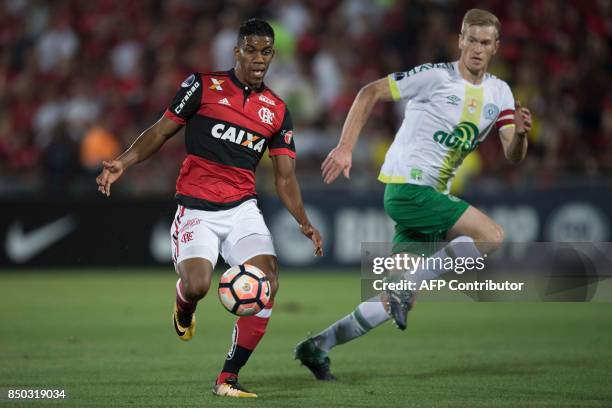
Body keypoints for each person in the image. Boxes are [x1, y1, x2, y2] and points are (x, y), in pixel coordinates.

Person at [295, 9, 532, 380]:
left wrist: (519, 134)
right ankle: (407, 285)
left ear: (495, 48)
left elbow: (513, 155)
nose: (476, 48)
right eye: (471, 39)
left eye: (485, 42)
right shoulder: (435, 76)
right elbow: (368, 91)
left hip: (429, 195)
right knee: (492, 236)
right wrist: (344, 147)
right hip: (407, 187)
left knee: (394, 300)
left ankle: (316, 347)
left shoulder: (500, 92)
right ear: (460, 41)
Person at [96, 19, 323, 398]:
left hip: (241, 210)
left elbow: (284, 177)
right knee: (199, 285)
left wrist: (304, 222)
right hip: (196, 208)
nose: (258, 58)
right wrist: (123, 161)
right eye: (250, 50)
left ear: (272, 56)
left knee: (268, 282)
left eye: (265, 52)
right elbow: (161, 130)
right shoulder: (202, 86)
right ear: (236, 52)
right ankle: (184, 305)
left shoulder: (277, 110)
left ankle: (227, 378)